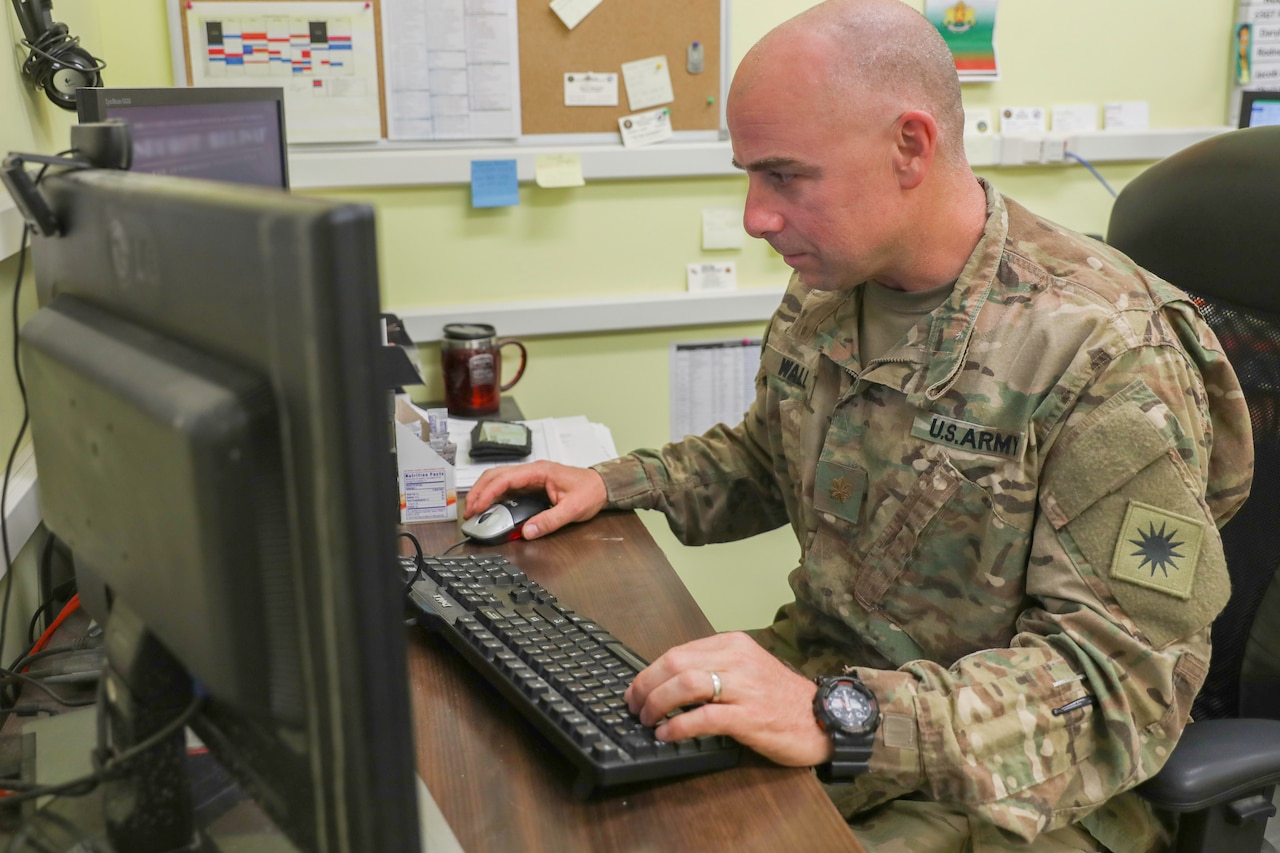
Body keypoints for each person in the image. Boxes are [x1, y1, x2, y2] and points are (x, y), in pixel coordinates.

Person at [464, 1, 1254, 850]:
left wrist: (843, 716)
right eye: (749, 175)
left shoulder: (1102, 348)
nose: (755, 216)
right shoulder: (832, 285)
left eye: (784, 176)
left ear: (910, 146)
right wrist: (618, 481)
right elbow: (771, 457)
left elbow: (1120, 686)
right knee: (570, 793)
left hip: (1013, 787)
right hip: (826, 696)